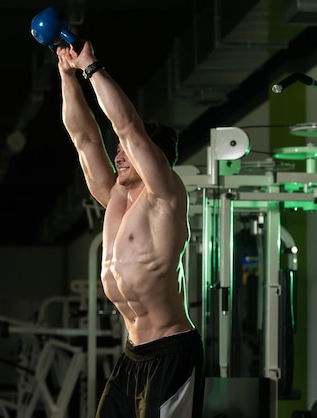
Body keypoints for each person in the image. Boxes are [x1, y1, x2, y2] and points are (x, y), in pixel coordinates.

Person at [56, 40, 205, 418]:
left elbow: (129, 128)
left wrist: (91, 68)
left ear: (153, 159)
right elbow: (84, 138)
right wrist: (67, 78)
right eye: (118, 150)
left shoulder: (165, 198)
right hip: (132, 355)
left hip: (171, 352)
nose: (118, 154)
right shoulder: (114, 198)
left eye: (126, 150)